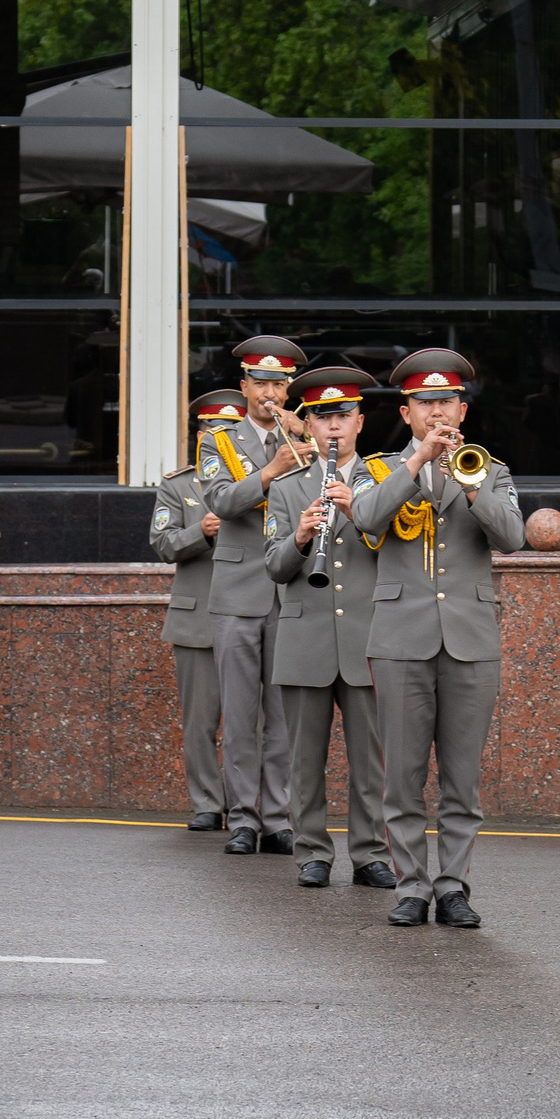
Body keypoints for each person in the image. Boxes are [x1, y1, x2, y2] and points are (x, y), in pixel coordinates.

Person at [351, 348, 525, 928]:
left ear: (462, 410)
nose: (436, 412)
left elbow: (512, 538)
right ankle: (411, 887)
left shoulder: (490, 468)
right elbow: (367, 519)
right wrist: (418, 463)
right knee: (401, 776)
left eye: (446, 401)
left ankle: (453, 887)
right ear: (406, 413)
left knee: (461, 777)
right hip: (400, 637)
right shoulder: (376, 469)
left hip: (470, 639)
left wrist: (469, 485)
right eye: (424, 403)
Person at [263, 365, 394, 890]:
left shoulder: (387, 481)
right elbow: (273, 566)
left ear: (360, 422)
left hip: (368, 636)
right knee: (304, 758)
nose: (333, 428)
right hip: (304, 637)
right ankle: (312, 850)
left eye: (343, 416)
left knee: (371, 761)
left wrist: (359, 512)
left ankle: (370, 855)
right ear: (309, 427)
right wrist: (297, 537)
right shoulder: (289, 487)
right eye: (322, 419)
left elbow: (400, 554)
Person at [199, 335, 306, 857]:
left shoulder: (307, 436)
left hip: (291, 590)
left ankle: (278, 818)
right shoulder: (218, 439)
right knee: (240, 714)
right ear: (243, 387)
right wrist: (272, 470)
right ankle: (242, 817)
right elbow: (219, 499)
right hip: (239, 592)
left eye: (279, 384)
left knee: (283, 716)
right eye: (260, 383)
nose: (270, 393)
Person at [153, 391, 240, 832]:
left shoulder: (260, 478)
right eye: (210, 429)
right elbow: (162, 545)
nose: (218, 436)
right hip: (197, 619)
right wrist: (198, 532)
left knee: (254, 722)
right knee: (200, 721)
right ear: (199, 434)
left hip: (249, 614)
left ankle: (250, 806)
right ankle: (208, 803)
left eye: (228, 429)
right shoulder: (179, 484)